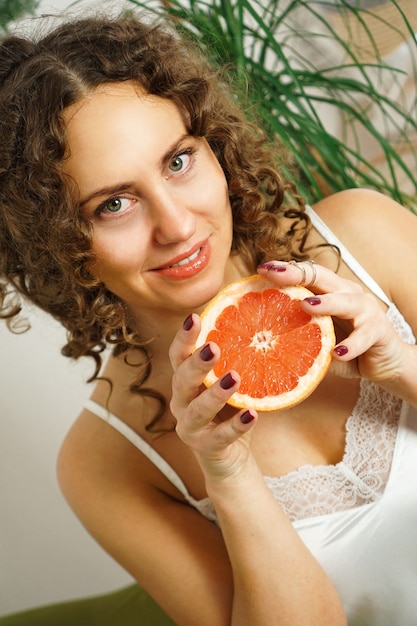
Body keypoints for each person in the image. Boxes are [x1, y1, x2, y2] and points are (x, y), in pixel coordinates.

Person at [0, 12, 417, 626]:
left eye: (178, 162)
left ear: (214, 148)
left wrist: (405, 369)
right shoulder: (107, 467)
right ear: (55, 242)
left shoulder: (366, 237)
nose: (177, 225)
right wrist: (228, 474)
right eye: (114, 204)